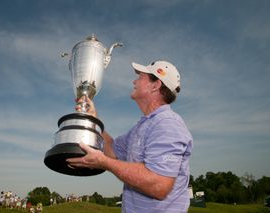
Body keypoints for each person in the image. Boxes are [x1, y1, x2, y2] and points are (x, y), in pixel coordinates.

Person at [67, 60, 193, 212]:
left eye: (141, 77)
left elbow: (159, 185)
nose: (134, 81)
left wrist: (103, 162)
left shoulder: (168, 124)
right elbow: (112, 151)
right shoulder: (142, 126)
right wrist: (94, 119)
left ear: (155, 85)